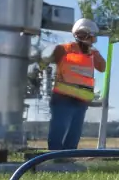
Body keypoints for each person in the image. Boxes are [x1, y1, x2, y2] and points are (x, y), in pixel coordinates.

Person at [45, 18, 106, 151]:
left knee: (74, 133)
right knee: (59, 130)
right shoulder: (64, 49)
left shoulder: (92, 54)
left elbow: (102, 67)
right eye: (91, 37)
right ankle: (53, 158)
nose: (93, 40)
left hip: (81, 100)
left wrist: (94, 53)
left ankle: (68, 159)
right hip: (63, 98)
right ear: (84, 35)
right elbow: (46, 60)